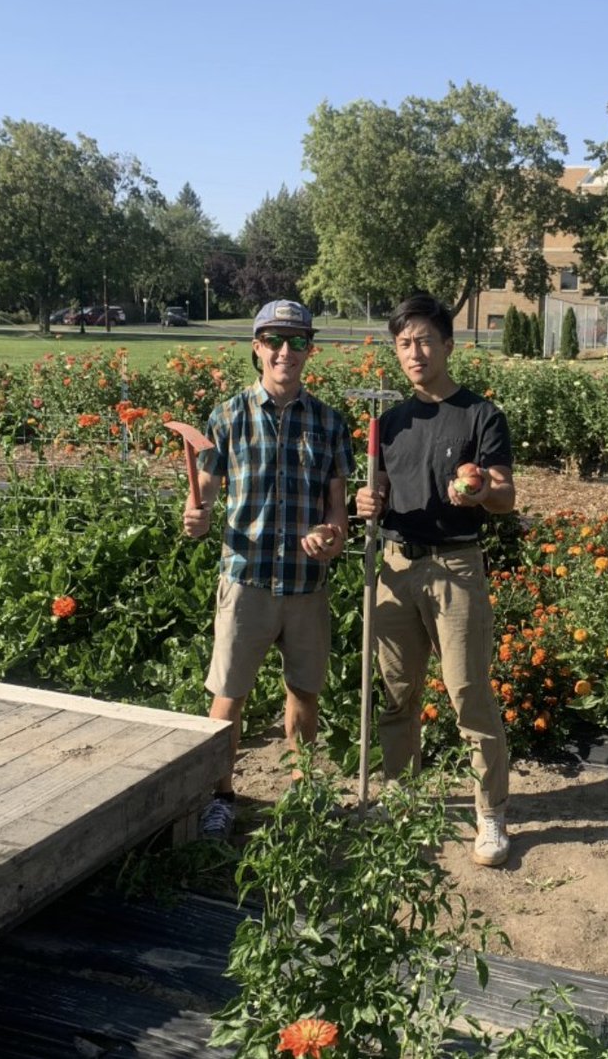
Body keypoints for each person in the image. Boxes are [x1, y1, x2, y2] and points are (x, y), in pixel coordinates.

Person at [354, 293, 516, 867]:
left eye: (424, 340)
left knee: (468, 692)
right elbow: (375, 495)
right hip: (395, 567)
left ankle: (490, 811)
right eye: (404, 343)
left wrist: (481, 490)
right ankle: (402, 797)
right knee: (397, 694)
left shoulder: (479, 416)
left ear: (448, 344)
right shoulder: (391, 422)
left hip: (454, 567)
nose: (414, 352)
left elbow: (503, 495)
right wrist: (366, 499)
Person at [184, 299, 354, 839]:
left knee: (304, 692)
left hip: (306, 584)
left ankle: (305, 789)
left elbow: (337, 508)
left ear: (310, 350)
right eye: (275, 341)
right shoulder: (227, 415)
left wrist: (332, 534)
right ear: (257, 347)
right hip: (247, 578)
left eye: (298, 341)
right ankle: (219, 795)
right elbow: (206, 494)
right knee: (228, 694)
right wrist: (196, 514)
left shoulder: (329, 423)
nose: (286, 351)